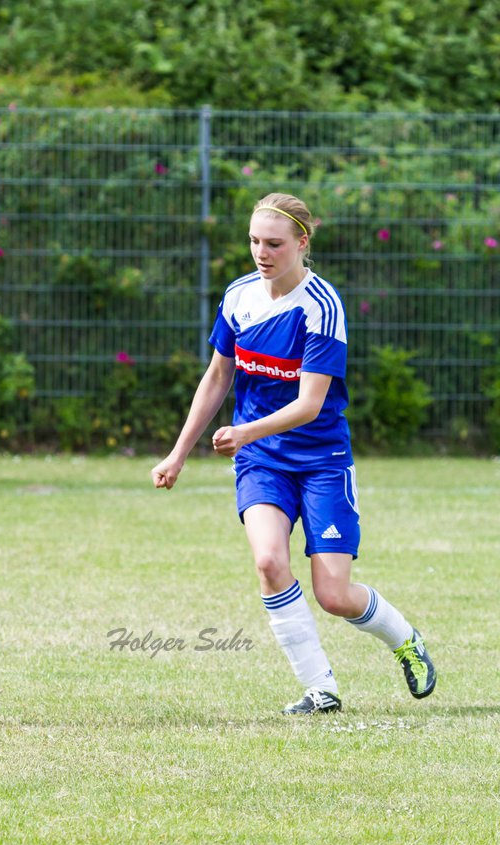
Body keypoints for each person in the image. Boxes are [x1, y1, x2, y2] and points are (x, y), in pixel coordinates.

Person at [150, 192, 435, 715]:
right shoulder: (238, 297)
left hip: (322, 461)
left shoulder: (322, 307)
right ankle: (320, 688)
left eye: (274, 243)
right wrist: (178, 453)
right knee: (268, 561)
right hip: (262, 461)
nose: (262, 252)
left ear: (302, 243)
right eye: (255, 241)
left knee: (334, 594)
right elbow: (217, 376)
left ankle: (406, 640)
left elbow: (310, 403)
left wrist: (244, 430)